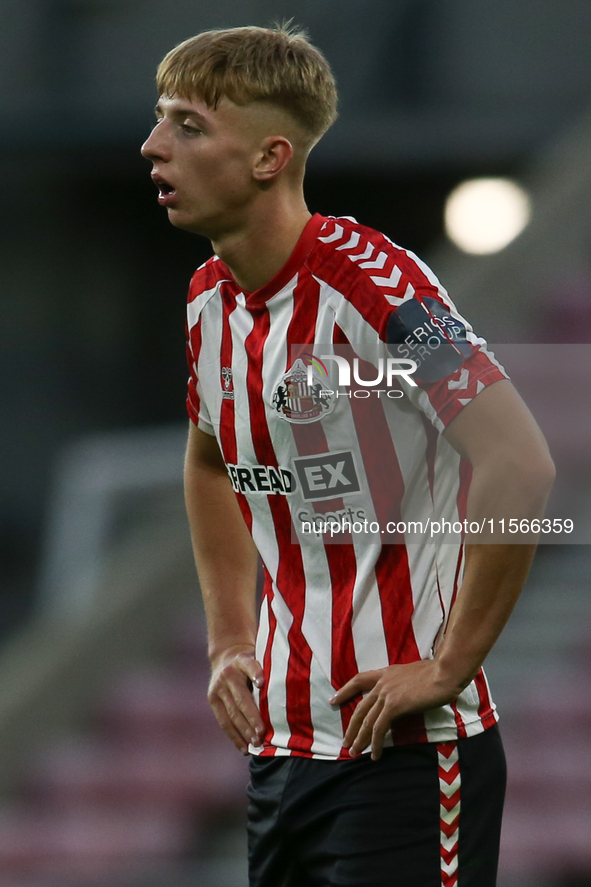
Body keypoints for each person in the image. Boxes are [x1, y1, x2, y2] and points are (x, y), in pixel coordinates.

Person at [141, 24, 555, 887]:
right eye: (159, 119)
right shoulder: (209, 299)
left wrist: (449, 664)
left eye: (187, 125)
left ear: (268, 157)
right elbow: (211, 459)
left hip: (402, 756)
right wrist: (227, 637)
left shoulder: (376, 289)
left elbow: (519, 460)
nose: (153, 147)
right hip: (282, 751)